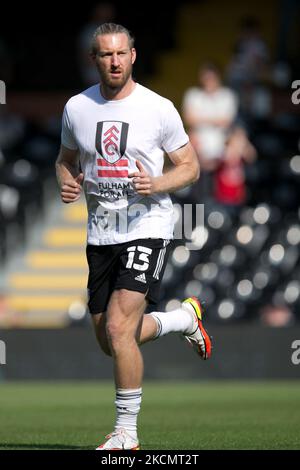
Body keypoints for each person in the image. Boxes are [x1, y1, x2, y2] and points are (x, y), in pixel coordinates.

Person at [56, 23, 212, 451]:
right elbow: (65, 161)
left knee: (121, 329)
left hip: (148, 226)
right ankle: (182, 320)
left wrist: (156, 185)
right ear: (94, 59)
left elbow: (190, 167)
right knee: (109, 340)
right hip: (100, 232)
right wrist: (66, 182)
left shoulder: (158, 108)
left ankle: (126, 433)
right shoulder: (76, 107)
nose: (115, 61)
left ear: (133, 55)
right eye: (106, 55)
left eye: (121, 53)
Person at [182, 63, 238, 202]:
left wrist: (201, 119)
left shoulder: (227, 96)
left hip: (221, 142)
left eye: (211, 77)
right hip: (199, 142)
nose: (208, 81)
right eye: (206, 78)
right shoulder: (193, 94)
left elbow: (226, 121)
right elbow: (189, 118)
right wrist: (215, 120)